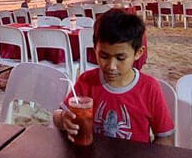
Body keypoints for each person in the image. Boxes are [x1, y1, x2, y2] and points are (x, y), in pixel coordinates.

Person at [53, 9, 174, 144]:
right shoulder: (86, 81)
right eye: (103, 56)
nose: (111, 66)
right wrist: (63, 118)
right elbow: (57, 115)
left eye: (120, 58)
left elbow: (164, 136)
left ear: (138, 53)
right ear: (95, 48)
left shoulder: (150, 88)